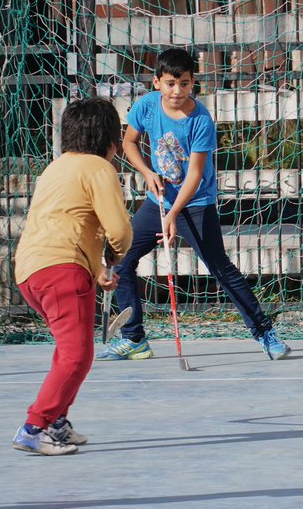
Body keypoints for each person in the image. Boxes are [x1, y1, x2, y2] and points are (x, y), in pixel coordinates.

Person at [99, 48, 291, 361]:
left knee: (220, 269)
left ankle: (264, 333)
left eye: (185, 84)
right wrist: (147, 173)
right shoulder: (146, 106)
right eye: (171, 83)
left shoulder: (200, 120)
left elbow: (195, 175)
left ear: (193, 83)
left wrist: (173, 214)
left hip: (196, 204)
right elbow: (129, 143)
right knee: (122, 259)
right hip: (156, 201)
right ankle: (134, 339)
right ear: (158, 82)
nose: (177, 91)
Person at [12, 98, 132, 455]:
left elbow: (69, 225)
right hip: (63, 270)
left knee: (68, 351)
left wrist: (98, 270)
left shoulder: (56, 168)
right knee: (78, 355)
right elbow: (119, 228)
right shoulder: (99, 168)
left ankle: (58, 421)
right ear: (111, 143)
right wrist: (117, 254)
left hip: (32, 271)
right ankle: (35, 427)